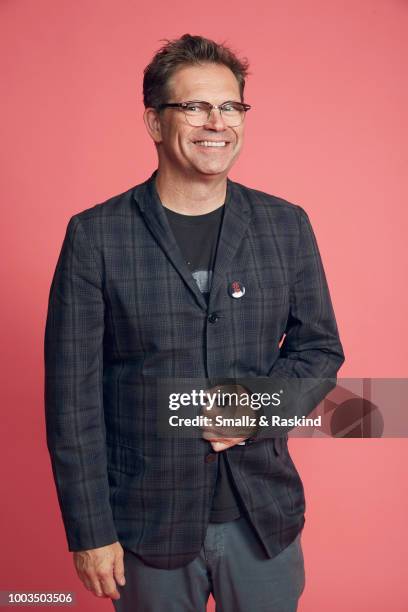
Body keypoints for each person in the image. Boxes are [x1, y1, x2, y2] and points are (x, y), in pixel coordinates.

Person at [44, 33, 345, 612]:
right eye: (195, 106)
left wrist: (254, 408)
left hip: (264, 522)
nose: (217, 122)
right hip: (143, 526)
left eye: (230, 106)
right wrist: (89, 531)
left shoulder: (287, 225)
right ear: (155, 123)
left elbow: (320, 350)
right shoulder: (95, 236)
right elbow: (71, 400)